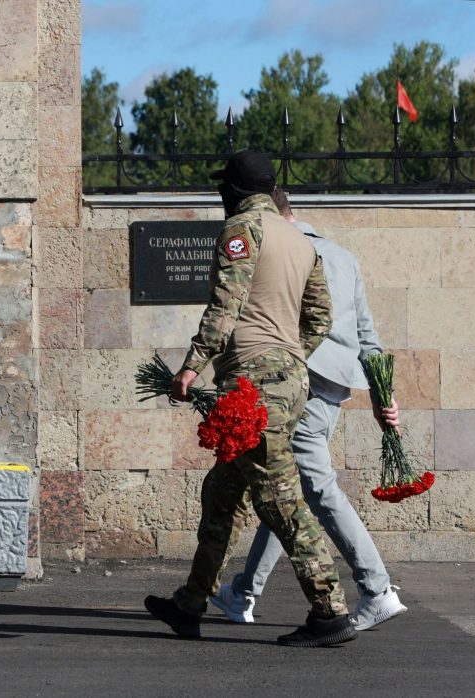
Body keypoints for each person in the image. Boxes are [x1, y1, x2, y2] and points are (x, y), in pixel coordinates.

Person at [143, 150, 356, 647]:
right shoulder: (299, 240)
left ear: (234, 190)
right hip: (287, 380)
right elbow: (320, 317)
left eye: (224, 187)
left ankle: (330, 611)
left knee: (280, 498)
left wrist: (192, 365)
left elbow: (226, 303)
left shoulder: (242, 229)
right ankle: (190, 604)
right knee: (222, 494)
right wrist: (289, 359)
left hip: (254, 385)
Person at [211, 187, 406, 630]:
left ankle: (377, 589)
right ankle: (243, 593)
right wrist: (383, 396)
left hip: (297, 382)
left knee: (316, 488)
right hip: (334, 386)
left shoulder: (281, 249)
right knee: (285, 487)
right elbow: (367, 336)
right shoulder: (344, 257)